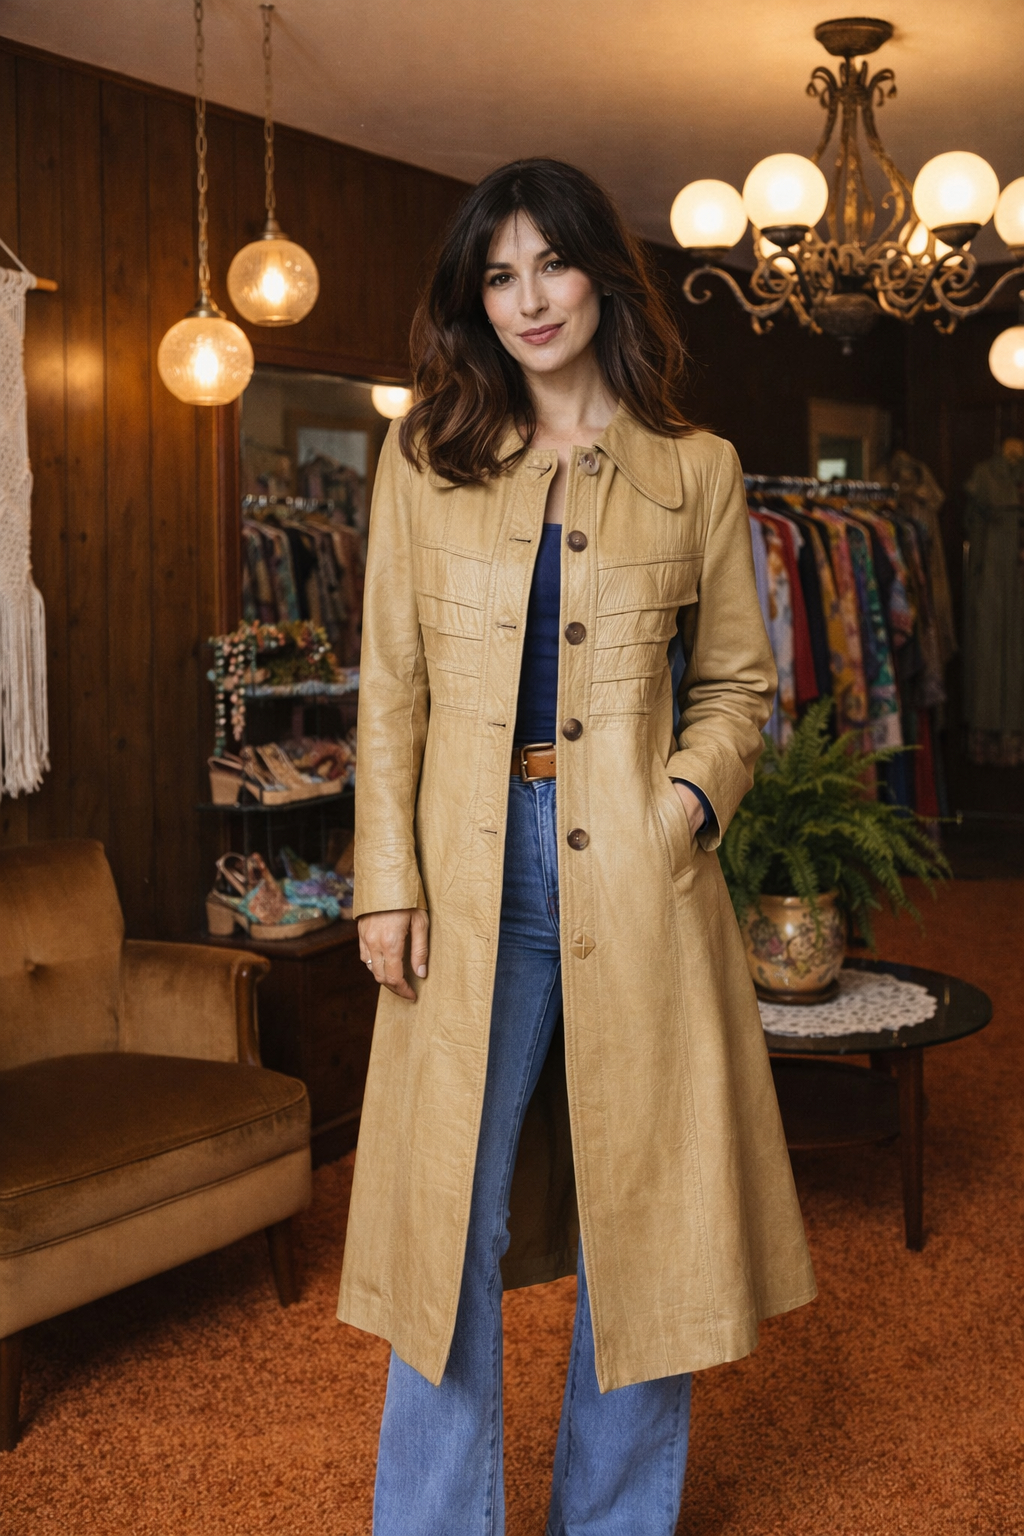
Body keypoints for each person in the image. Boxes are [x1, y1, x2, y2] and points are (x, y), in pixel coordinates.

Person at [338, 157, 816, 1536]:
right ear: (473, 298)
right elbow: (390, 687)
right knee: (449, 1230)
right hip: (466, 876)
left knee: (644, 1227)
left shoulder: (697, 470)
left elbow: (736, 684)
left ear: (604, 273)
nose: (527, 298)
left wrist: (686, 804)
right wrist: (387, 882)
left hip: (640, 872)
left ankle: (612, 1519)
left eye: (551, 264)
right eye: (498, 274)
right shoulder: (425, 455)